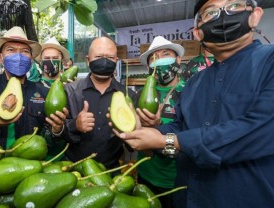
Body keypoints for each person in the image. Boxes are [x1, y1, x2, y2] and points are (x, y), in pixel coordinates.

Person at [111, 0, 274, 207]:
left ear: (255, 15)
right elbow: (180, 126)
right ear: (198, 33)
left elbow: (261, 130)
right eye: (211, 12)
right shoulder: (196, 81)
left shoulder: (269, 63)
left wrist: (167, 141)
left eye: (234, 6)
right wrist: (144, 129)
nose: (223, 16)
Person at [0, 26, 68, 150]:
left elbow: (49, 145)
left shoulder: (44, 93)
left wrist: (57, 131)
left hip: (27, 166)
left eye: (25, 51)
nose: (18, 56)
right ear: (0, 57)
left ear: (31, 59)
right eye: (11, 50)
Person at [62, 37, 136, 170]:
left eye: (110, 57)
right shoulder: (69, 91)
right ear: (87, 60)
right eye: (99, 56)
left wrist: (131, 131)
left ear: (116, 61)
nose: (104, 61)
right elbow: (56, 134)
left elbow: (133, 145)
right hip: (74, 170)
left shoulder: (128, 96)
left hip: (111, 171)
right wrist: (75, 125)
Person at [136, 35, 185, 208]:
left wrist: (157, 131)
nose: (160, 61)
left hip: (177, 179)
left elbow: (192, 137)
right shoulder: (139, 95)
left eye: (165, 54)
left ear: (178, 60)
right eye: (154, 59)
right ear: (149, 67)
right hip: (146, 174)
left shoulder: (190, 92)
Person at [35, 37, 71, 160]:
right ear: (41, 62)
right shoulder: (33, 87)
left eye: (55, 58)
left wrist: (72, 90)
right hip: (39, 152)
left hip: (65, 154)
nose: (51, 61)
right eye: (46, 58)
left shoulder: (72, 87)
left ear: (62, 61)